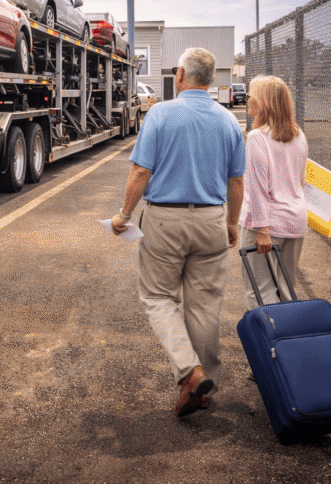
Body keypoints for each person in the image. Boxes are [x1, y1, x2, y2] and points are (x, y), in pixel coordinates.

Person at [110, 48, 245, 418]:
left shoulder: (161, 114)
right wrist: (232, 223)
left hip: (165, 222)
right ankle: (200, 392)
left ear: (181, 75)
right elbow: (236, 182)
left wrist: (124, 214)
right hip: (212, 221)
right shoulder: (229, 121)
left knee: (158, 297)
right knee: (205, 307)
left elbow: (140, 172)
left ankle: (190, 371)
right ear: (213, 80)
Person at [239, 75, 309, 309]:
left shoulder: (258, 138)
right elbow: (300, 181)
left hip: (265, 224)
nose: (247, 98)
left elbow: (258, 189)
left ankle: (267, 343)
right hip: (295, 221)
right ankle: (290, 340)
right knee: (286, 287)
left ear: (263, 102)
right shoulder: (299, 135)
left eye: (251, 95)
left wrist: (263, 230)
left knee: (259, 292)